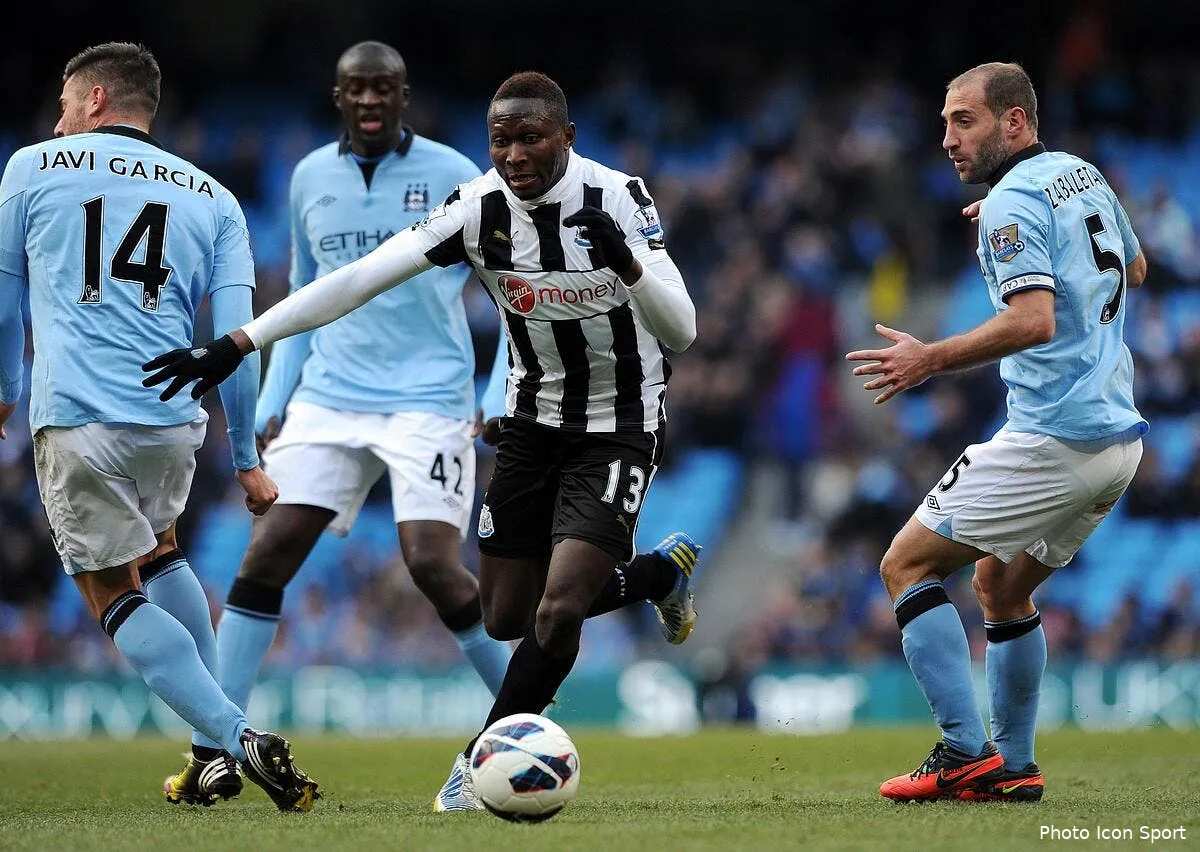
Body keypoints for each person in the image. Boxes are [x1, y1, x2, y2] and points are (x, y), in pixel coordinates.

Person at [142, 70, 702, 812]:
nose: (514, 154)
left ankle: (480, 763)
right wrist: (242, 342)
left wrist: (626, 264)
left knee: (560, 611)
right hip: (530, 424)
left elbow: (684, 331)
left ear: (566, 136)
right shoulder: (477, 209)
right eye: (500, 140)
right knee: (507, 615)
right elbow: (359, 278)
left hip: (618, 425)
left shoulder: (617, 199)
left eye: (531, 137)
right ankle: (658, 577)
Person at [159, 40, 515, 800]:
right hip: (330, 393)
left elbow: (508, 293)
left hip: (428, 396)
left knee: (430, 564)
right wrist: (279, 390)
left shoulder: (457, 175)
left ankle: (525, 712)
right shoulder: (309, 176)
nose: (370, 101)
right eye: (357, 90)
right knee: (265, 555)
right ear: (338, 98)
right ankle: (213, 749)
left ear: (404, 95)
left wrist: (494, 396)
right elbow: (308, 291)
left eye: (384, 89)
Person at [0, 42, 319, 811]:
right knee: (165, 553)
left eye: (67, 104)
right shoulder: (213, 196)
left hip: (78, 419)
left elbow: (6, 308)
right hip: (174, 423)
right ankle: (209, 757)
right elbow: (241, 339)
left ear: (99, 99)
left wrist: (5, 396)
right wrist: (246, 456)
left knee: (109, 592)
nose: (59, 119)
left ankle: (237, 735)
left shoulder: (30, 168)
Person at [845, 61, 1147, 803]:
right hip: (1117, 445)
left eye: (964, 120)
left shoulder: (1014, 199)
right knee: (1000, 586)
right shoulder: (1078, 174)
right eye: (945, 121)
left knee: (906, 565)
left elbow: (1033, 319)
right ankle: (1010, 767)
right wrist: (1028, 226)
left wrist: (928, 358)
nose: (946, 137)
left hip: (1054, 438)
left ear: (1014, 121)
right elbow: (1133, 270)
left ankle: (962, 751)